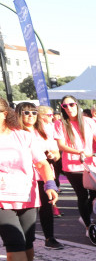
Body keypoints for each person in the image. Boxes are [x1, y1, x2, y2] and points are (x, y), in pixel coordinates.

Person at [0, 97, 58, 261]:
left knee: (27, 242)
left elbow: (42, 163)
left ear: (5, 113)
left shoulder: (24, 137)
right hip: (2, 199)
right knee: (14, 241)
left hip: (28, 195)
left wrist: (50, 184)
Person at [55, 95, 96, 228]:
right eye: (65, 106)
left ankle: (84, 216)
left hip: (90, 164)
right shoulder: (60, 123)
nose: (69, 108)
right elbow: (61, 146)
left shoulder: (88, 121)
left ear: (77, 105)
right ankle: (87, 224)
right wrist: (79, 152)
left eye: (71, 104)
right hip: (73, 167)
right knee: (82, 195)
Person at [17, 103, 62, 250]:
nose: (31, 115)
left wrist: (52, 154)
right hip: (24, 176)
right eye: (27, 112)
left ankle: (50, 238)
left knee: (46, 207)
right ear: (19, 114)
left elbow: (57, 154)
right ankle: (22, 239)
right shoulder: (15, 132)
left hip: (44, 173)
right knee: (25, 209)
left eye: (34, 113)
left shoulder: (44, 131)